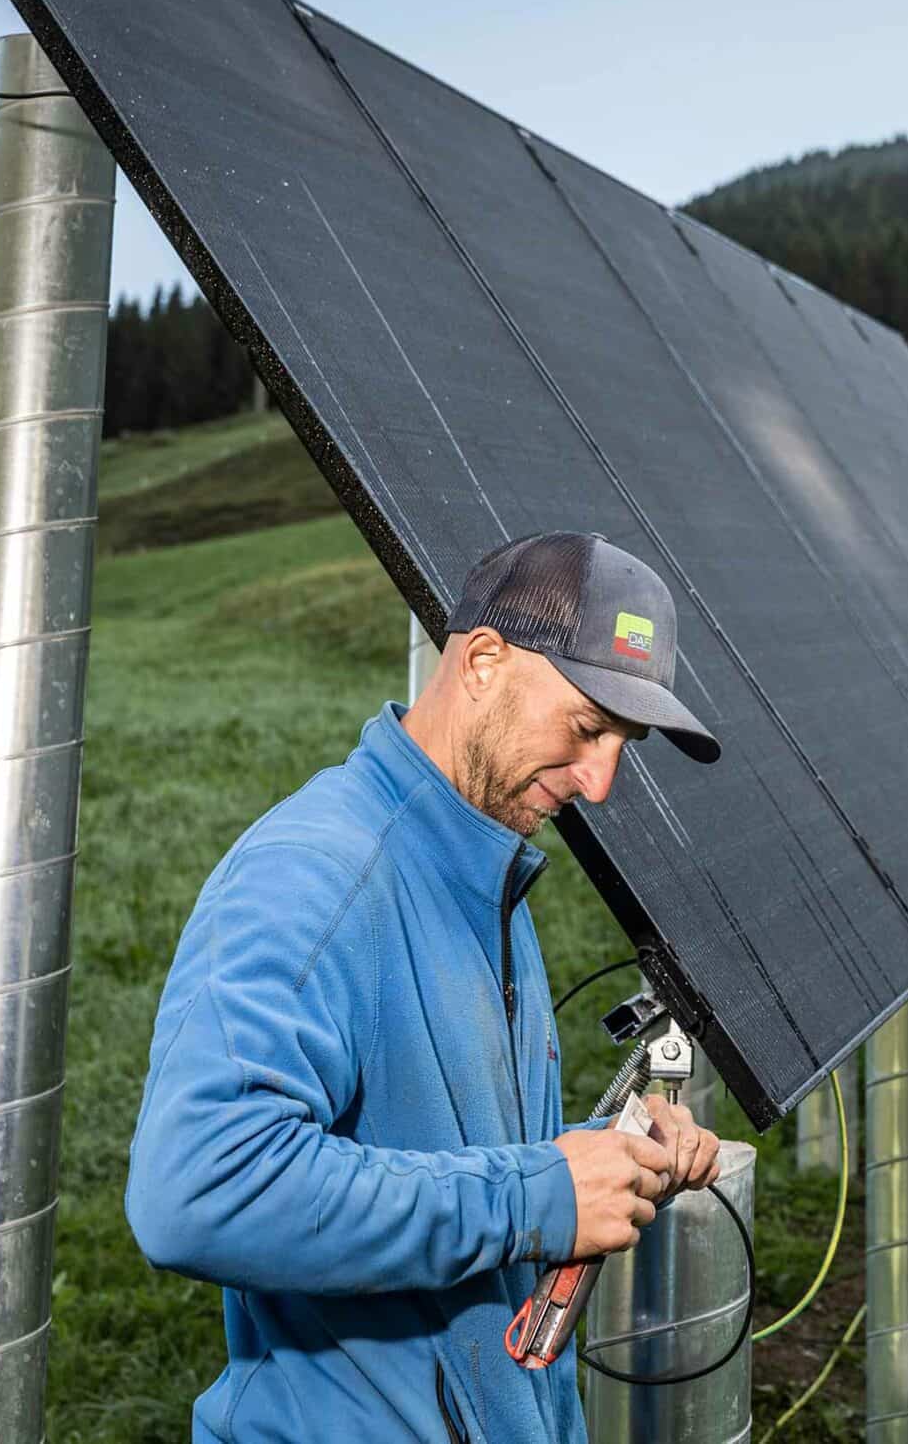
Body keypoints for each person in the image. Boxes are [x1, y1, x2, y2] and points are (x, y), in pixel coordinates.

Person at [126, 531, 726, 1442]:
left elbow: (441, 1148)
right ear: (483, 660)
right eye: (587, 726)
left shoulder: (483, 868)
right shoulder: (316, 877)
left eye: (623, 744)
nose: (601, 782)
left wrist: (604, 1157)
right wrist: (540, 1197)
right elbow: (202, 1190)